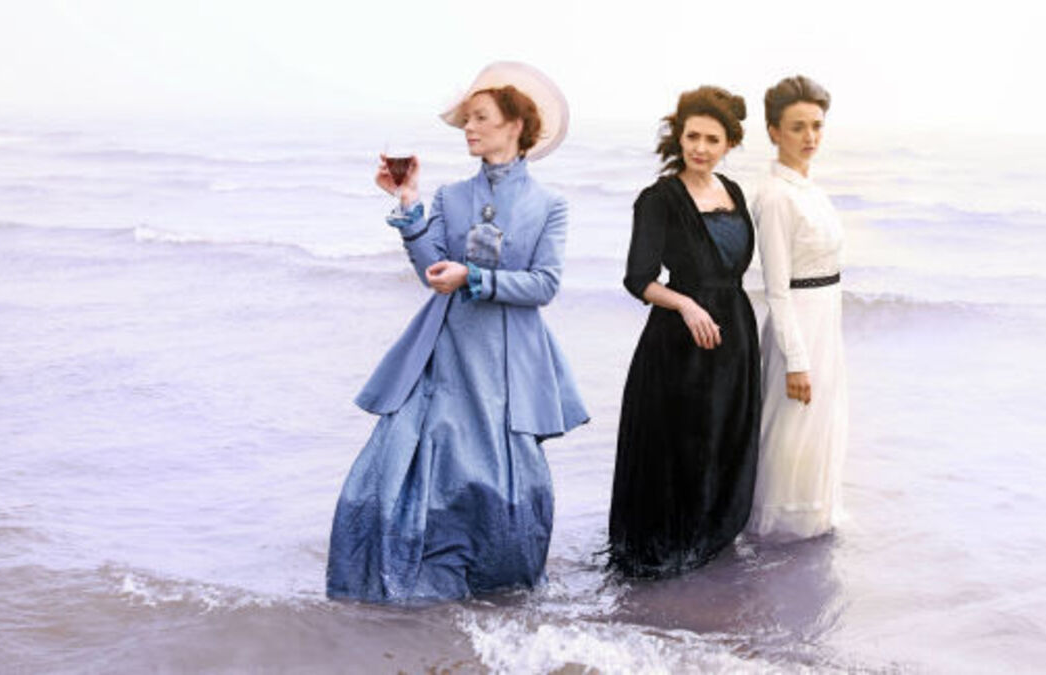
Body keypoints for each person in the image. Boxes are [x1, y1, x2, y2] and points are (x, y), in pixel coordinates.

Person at [325, 62, 588, 603]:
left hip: (507, 358)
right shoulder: (450, 196)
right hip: (445, 347)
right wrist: (408, 201)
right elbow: (432, 271)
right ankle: (400, 588)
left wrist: (476, 278)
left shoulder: (549, 205)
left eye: (480, 117)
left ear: (516, 125)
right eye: (467, 119)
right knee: (405, 460)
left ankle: (493, 591)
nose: (469, 128)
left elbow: (544, 284)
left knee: (497, 472)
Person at [607, 86, 761, 578]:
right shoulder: (659, 199)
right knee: (681, 446)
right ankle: (668, 560)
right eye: (692, 136)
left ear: (729, 144)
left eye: (712, 139)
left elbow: (734, 268)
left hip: (733, 333)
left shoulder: (733, 191)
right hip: (679, 343)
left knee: (725, 439)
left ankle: (711, 548)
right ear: (679, 137)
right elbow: (638, 279)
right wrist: (687, 304)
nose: (700, 148)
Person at [746, 75, 848, 542]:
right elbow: (777, 290)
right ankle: (779, 532)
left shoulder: (813, 190)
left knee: (821, 425)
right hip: (798, 325)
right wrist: (796, 360)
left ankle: (815, 520)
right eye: (797, 127)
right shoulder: (775, 196)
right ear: (774, 131)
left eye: (817, 126)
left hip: (826, 320)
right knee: (790, 431)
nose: (810, 137)